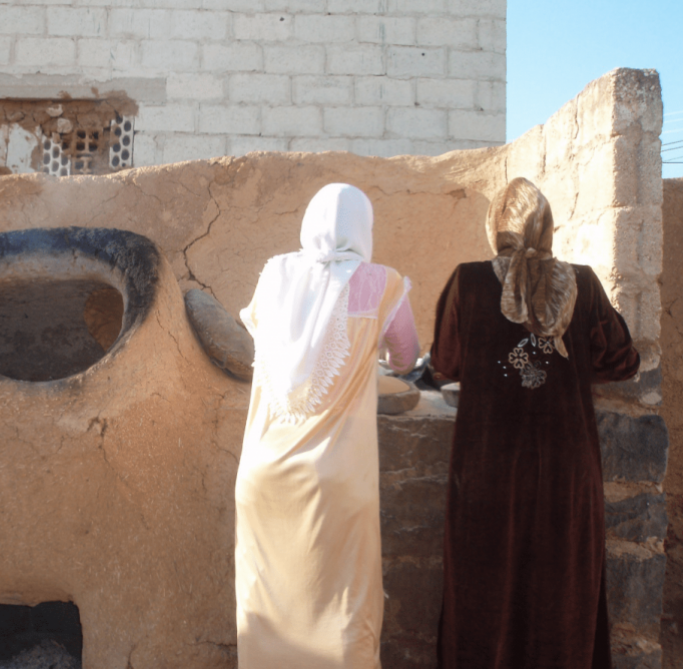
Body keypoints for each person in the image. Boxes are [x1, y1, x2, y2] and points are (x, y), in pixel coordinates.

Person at [432, 177, 640, 669]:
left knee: (484, 597)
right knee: (562, 594)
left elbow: (445, 361)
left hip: (487, 473)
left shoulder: (466, 281)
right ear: (546, 226)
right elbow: (622, 362)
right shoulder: (583, 283)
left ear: (496, 229)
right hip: (567, 476)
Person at [235, 183, 420, 669]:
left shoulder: (275, 274)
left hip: (261, 476)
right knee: (342, 615)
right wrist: (369, 349)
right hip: (335, 485)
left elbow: (261, 334)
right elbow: (406, 357)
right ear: (364, 228)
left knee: (267, 615)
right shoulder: (378, 282)